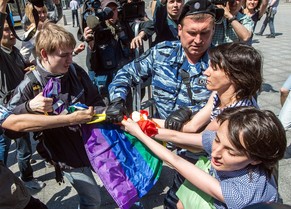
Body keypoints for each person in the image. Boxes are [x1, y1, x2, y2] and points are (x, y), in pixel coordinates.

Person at [106, 1, 223, 208]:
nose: (198, 40)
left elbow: (230, 111)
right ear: (179, 29)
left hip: (196, 149)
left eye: (205, 33)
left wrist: (192, 115)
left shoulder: (222, 64)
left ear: (213, 31)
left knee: (178, 201)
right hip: (158, 140)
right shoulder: (162, 53)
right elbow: (126, 74)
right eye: (191, 32)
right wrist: (117, 99)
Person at [7, 22, 106, 209]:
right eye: (64, 55)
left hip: (92, 145)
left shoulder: (75, 71)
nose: (70, 59)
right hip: (66, 157)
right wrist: (29, 107)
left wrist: (104, 115)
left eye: (71, 53)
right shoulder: (30, 84)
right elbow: (9, 128)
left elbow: (95, 99)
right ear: (44, 54)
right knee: (93, 200)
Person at [122, 106, 287, 209]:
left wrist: (139, 134)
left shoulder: (245, 192)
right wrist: (142, 124)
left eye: (231, 152)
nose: (215, 153)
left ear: (256, 159)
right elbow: (177, 137)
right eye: (216, 139)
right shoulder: (230, 138)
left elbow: (175, 161)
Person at [162, 43, 261, 135]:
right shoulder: (219, 94)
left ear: (236, 75)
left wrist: (151, 129)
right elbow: (192, 126)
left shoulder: (235, 115)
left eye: (214, 68)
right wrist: (148, 121)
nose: (206, 72)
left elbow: (199, 142)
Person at [0, 0, 45, 190]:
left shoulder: (15, 51)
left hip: (21, 106)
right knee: (5, 148)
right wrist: (2, 6)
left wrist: (28, 69)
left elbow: (23, 68)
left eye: (11, 29)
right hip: (6, 109)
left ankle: (25, 178)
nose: (11, 33)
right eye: (5, 30)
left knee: (23, 147)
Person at [83, 0, 154, 104]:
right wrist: (91, 45)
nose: (112, 13)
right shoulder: (97, 30)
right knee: (109, 116)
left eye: (114, 10)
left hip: (124, 83)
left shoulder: (125, 26)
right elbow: (91, 66)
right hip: (107, 86)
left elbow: (150, 24)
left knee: (127, 115)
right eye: (108, 10)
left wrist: (140, 35)